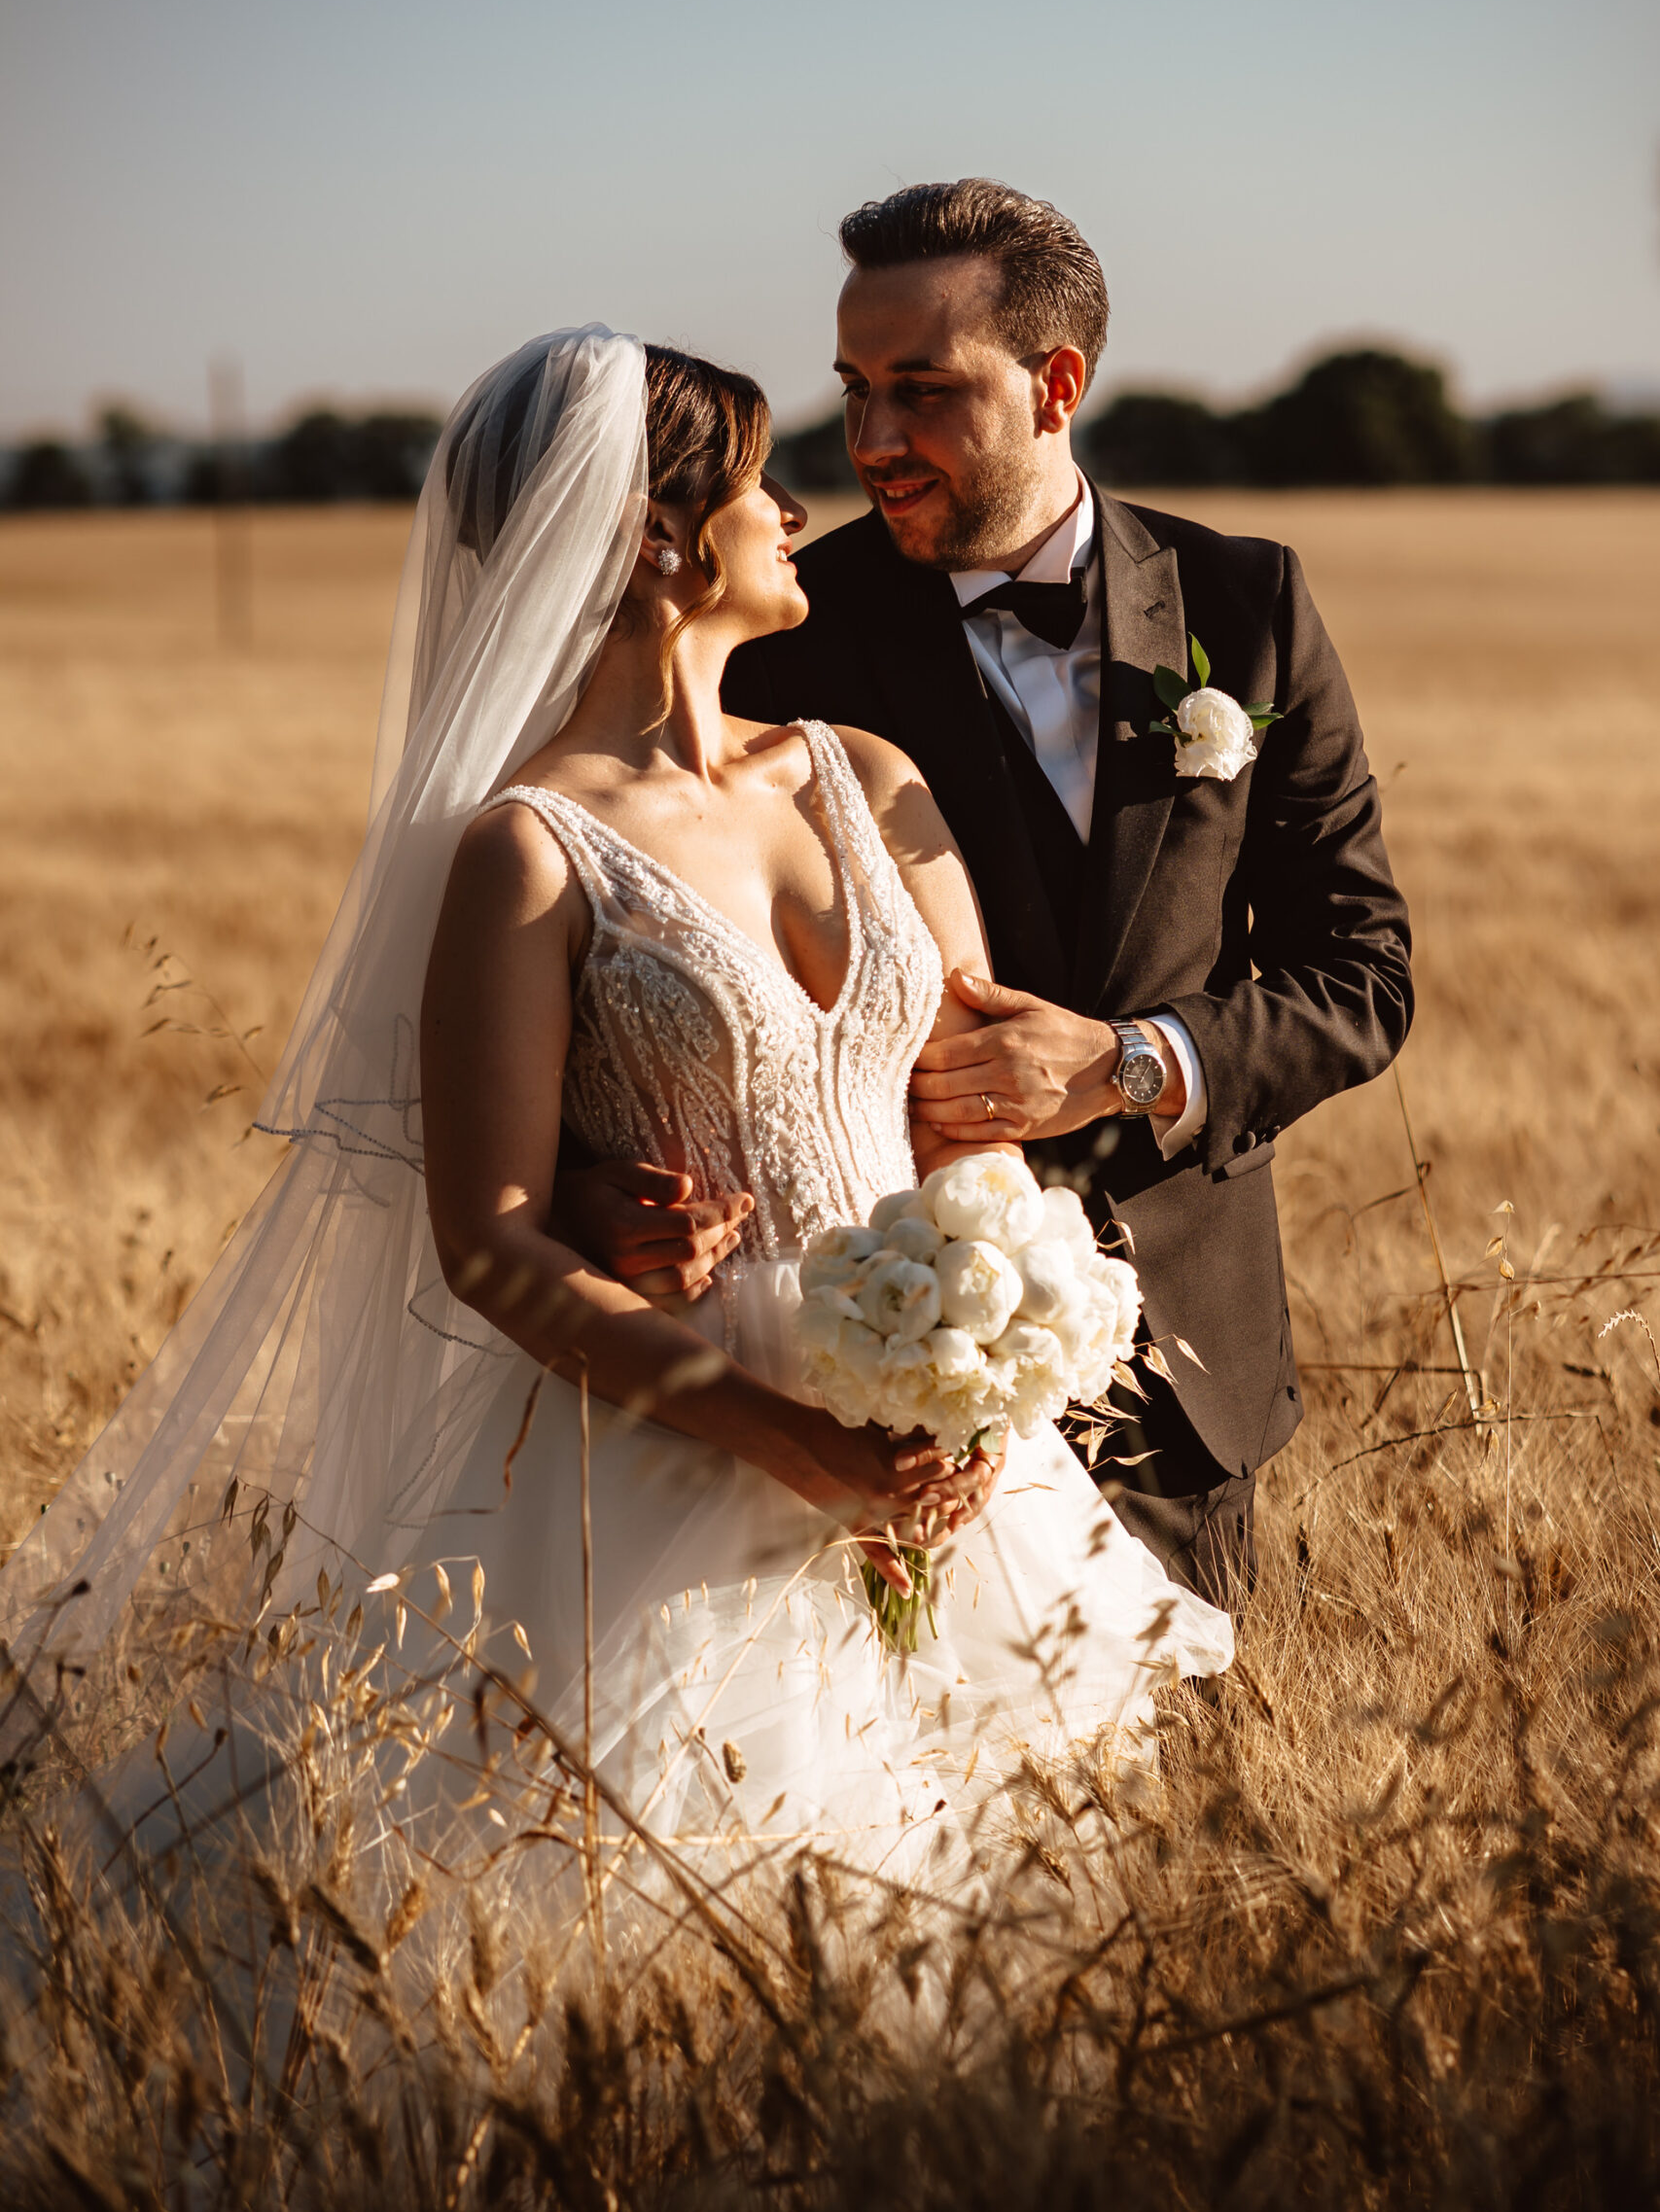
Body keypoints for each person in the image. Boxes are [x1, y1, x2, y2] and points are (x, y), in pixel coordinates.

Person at [0, 328, 1229, 1883]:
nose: (797, 510)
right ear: (657, 538)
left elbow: (962, 1122)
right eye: (758, 482)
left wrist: (979, 1390)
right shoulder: (527, 851)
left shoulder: (869, 773)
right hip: (677, 1444)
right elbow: (490, 1239)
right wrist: (799, 1442)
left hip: (941, 1433)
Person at [576, 179, 1414, 1608]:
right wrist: (604, 1204)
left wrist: (1129, 1063)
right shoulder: (774, 632)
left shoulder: (1245, 606)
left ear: (1057, 384)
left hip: (1185, 1374)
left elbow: (1363, 973)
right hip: (858, 1356)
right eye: (854, 391)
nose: (874, 442)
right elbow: (617, 968)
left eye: (923, 390)